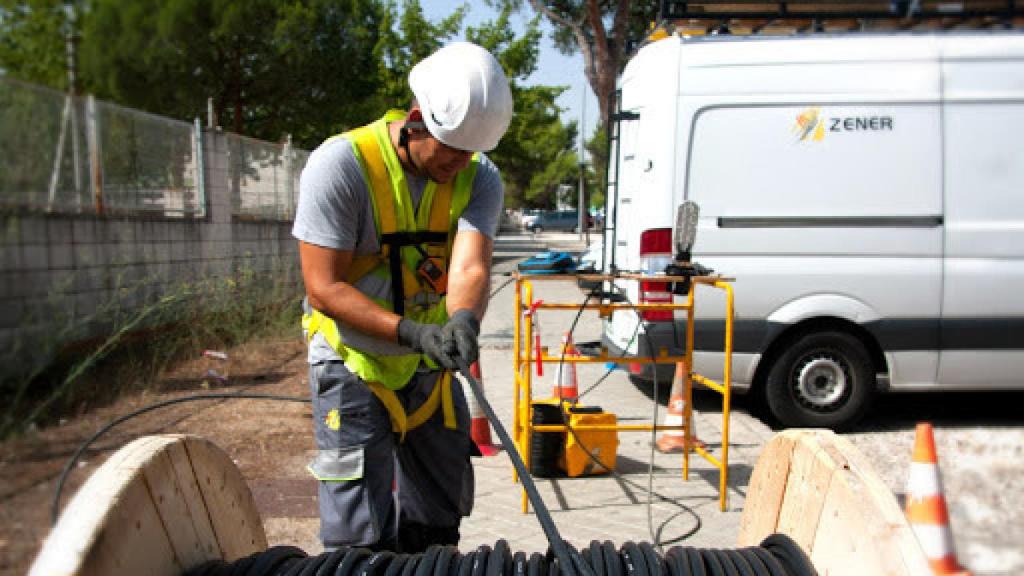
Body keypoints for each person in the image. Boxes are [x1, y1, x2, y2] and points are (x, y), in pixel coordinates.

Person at [292, 42, 513, 553]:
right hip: (354, 364)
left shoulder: (479, 176)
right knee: (359, 537)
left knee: (439, 520)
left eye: (472, 152)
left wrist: (462, 320)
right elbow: (323, 287)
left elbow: (471, 262)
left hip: (432, 368)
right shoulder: (341, 166)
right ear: (416, 120)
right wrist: (413, 332)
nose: (460, 163)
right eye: (451, 149)